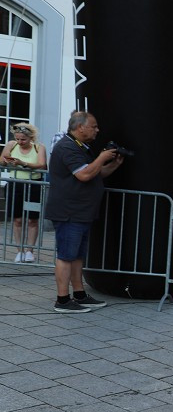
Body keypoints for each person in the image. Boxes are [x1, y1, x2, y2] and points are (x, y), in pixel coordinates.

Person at [45, 112, 124, 313]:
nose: (97, 130)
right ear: (80, 127)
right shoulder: (66, 147)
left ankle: (79, 294)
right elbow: (84, 174)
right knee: (66, 256)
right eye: (94, 126)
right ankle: (62, 300)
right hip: (69, 212)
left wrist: (113, 164)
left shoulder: (80, 147)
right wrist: (101, 157)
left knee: (78, 256)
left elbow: (97, 173)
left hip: (81, 212)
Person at [1, 123, 47, 263]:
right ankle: (19, 251)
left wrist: (23, 163)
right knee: (17, 219)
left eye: (23, 140)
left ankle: (30, 251)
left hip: (34, 185)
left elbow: (42, 165)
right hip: (16, 184)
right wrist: (7, 160)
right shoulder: (11, 144)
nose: (20, 142)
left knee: (32, 219)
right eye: (18, 139)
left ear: (30, 138)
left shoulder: (39, 147)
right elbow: (2, 161)